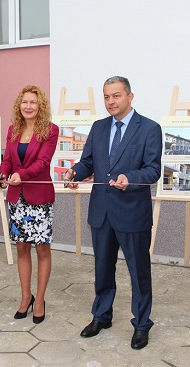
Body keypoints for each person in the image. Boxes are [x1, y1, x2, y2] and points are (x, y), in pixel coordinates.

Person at [64, 76, 162, 350]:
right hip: (102, 212)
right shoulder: (98, 127)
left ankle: (141, 324)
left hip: (132, 212)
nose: (111, 101)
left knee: (138, 272)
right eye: (106, 97)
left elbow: (153, 170)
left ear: (130, 96)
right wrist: (75, 172)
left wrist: (129, 178)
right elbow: (88, 162)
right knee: (103, 269)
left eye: (116, 95)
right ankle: (101, 316)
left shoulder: (149, 128)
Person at [0, 85, 58, 324]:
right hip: (16, 198)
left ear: (40, 105)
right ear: (19, 105)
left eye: (33, 102)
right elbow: (7, 159)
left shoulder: (51, 130)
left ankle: (40, 300)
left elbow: (43, 162)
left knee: (42, 249)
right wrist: (3, 174)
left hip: (39, 198)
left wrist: (20, 175)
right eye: (25, 102)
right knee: (22, 248)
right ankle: (26, 297)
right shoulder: (13, 129)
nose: (28, 106)